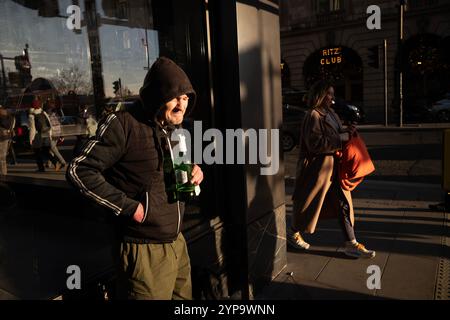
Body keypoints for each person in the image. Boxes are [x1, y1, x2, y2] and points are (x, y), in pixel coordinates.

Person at [66, 57, 203, 299]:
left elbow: (164, 172)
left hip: (177, 242)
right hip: (143, 251)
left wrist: (193, 171)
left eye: (186, 98)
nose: (182, 105)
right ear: (156, 97)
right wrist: (129, 207)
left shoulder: (174, 129)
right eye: (175, 98)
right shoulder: (123, 125)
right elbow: (79, 170)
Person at [288, 80, 376, 259]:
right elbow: (315, 144)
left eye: (333, 94)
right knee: (307, 205)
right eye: (329, 93)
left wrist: (347, 131)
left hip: (335, 168)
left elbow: (334, 134)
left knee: (343, 204)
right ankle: (293, 233)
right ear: (320, 94)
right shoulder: (312, 115)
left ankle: (351, 244)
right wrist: (341, 138)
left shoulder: (331, 113)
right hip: (316, 170)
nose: (332, 97)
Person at [29, 96, 57, 172]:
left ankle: (41, 168)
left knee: (37, 152)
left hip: (38, 135)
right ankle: (56, 163)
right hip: (46, 134)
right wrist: (50, 134)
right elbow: (49, 124)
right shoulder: (43, 112)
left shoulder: (31, 115)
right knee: (46, 151)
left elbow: (32, 129)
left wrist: (31, 139)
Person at [45, 99, 66, 171]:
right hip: (58, 132)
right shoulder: (56, 113)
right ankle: (49, 163)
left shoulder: (48, 114)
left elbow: (50, 124)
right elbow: (61, 122)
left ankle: (62, 162)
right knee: (51, 148)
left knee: (52, 147)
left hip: (53, 133)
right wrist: (61, 134)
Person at [0, 105, 15, 175]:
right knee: (3, 155)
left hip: (3, 137)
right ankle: (3, 172)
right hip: (6, 137)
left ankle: (3, 172)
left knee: (2, 156)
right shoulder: (9, 116)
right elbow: (11, 126)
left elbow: (6, 125)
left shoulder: (4, 117)